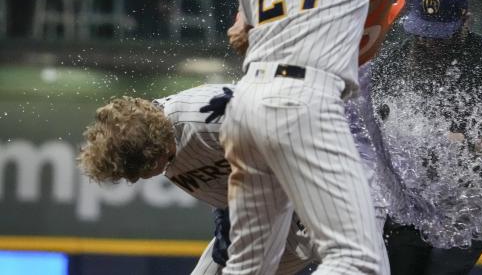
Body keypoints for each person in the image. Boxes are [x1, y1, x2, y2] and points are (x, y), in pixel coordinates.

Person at [222, 0, 436, 273]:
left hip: (245, 105)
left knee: (248, 265)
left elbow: (244, 34)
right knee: (359, 261)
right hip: (304, 99)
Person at [347, 0, 482, 275]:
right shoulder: (394, 61)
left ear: (466, 19)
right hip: (409, 200)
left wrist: (457, 143)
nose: (429, 42)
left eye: (440, 34)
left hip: (470, 204)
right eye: (423, 32)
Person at [77, 85, 317, 275]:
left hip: (305, 203)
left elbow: (292, 128)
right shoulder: (158, 141)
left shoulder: (206, 117)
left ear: (152, 158)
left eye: (135, 173)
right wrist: (228, 210)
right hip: (263, 213)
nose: (135, 179)